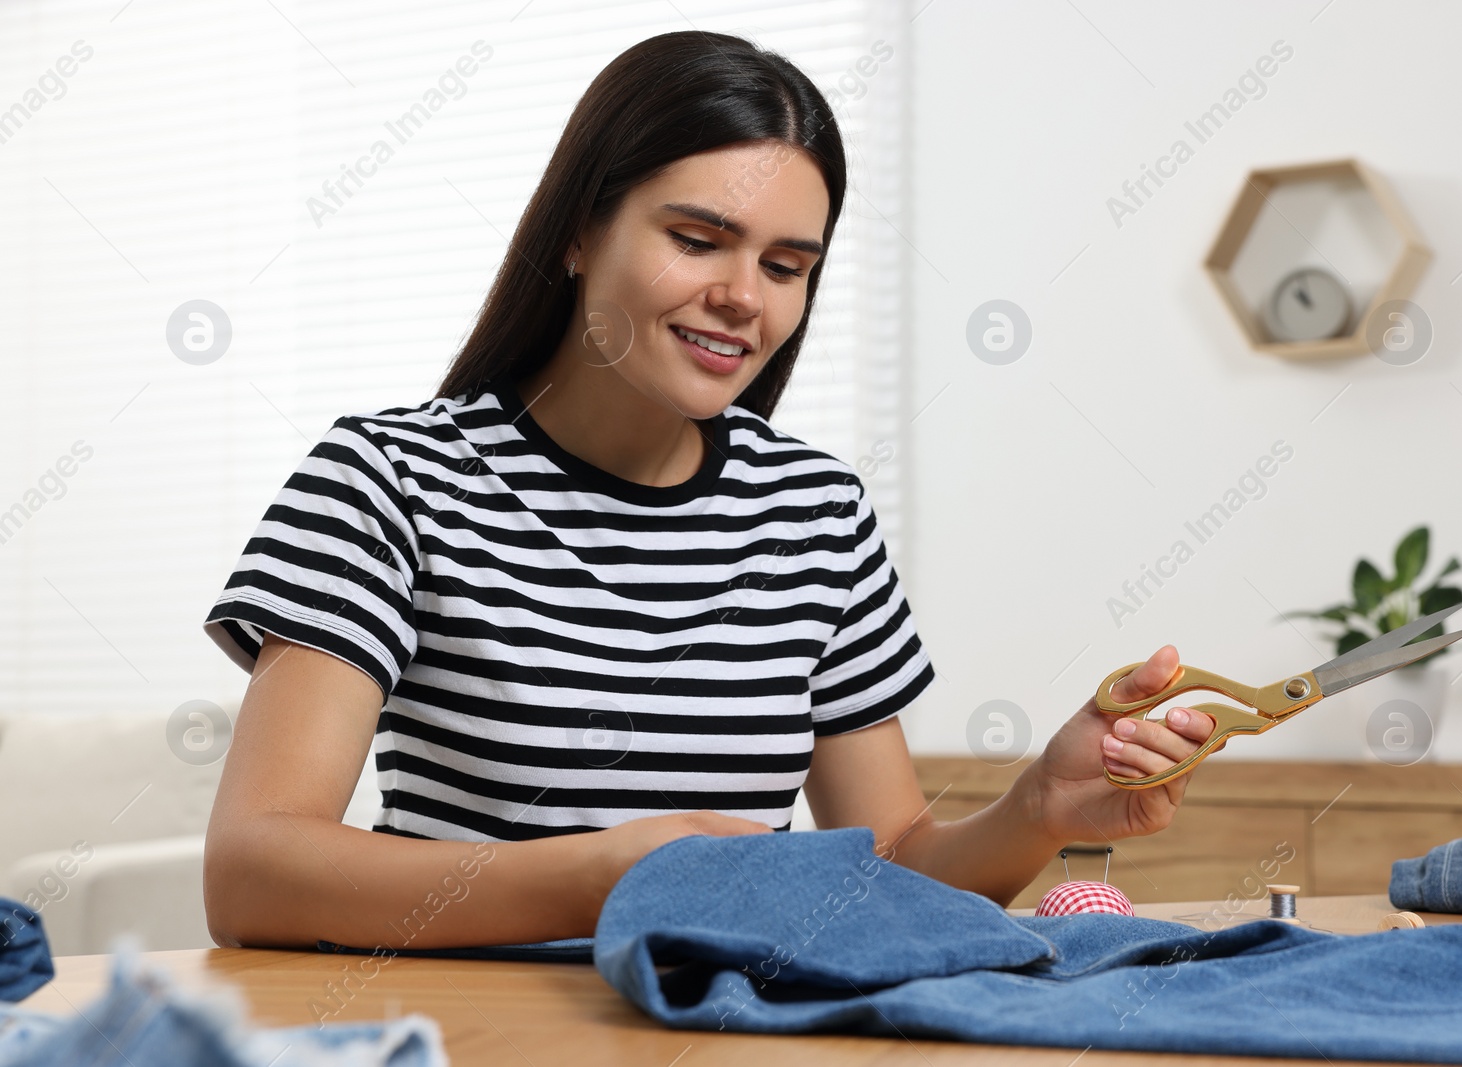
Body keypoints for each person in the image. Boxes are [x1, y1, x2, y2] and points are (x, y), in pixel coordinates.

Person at [200, 30, 1216, 951]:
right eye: (697, 239)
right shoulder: (392, 481)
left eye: (785, 264)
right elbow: (254, 871)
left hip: (730, 1026)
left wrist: (1037, 804)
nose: (742, 295)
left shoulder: (815, 514)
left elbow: (894, 865)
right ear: (578, 233)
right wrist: (607, 876)